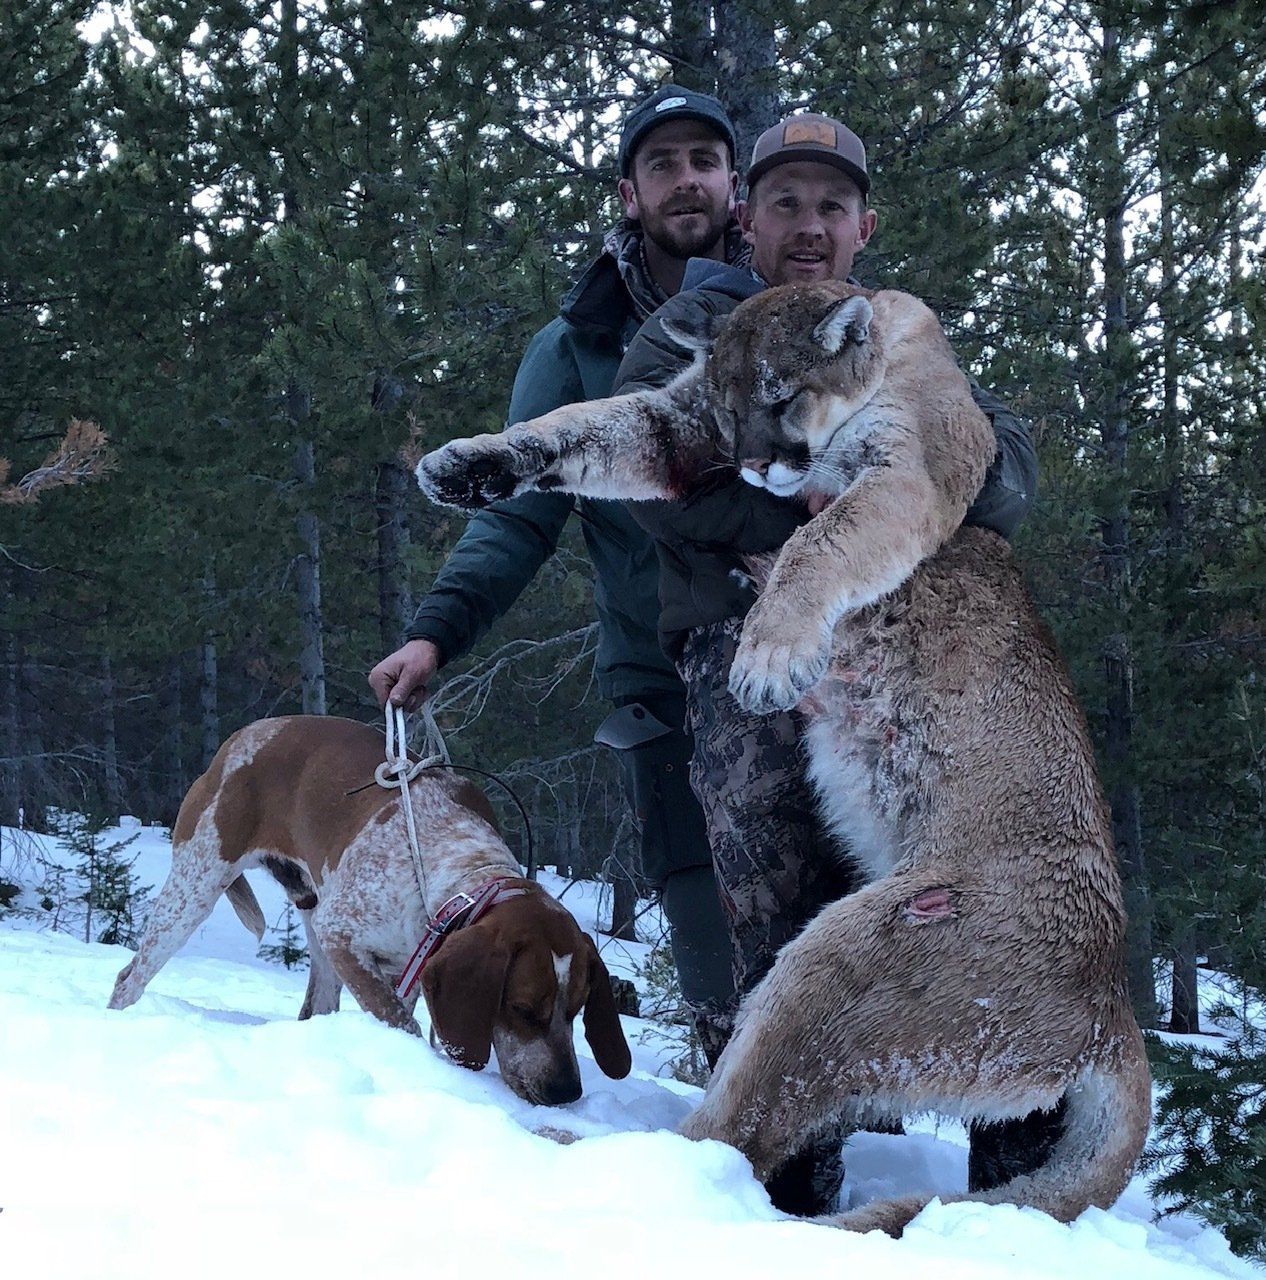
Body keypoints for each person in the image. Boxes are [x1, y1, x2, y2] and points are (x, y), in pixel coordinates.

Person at [613, 112, 1061, 1215]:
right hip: (749, 634)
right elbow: (671, 489)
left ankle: (1024, 1212)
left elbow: (1007, 477)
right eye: (784, 204)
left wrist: (920, 482)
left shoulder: (897, 332)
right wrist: (829, 510)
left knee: (1011, 885)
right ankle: (778, 1195)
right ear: (746, 220)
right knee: (776, 883)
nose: (808, 226)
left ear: (865, 226)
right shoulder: (693, 329)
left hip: (923, 653)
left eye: (831, 206)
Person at [368, 86, 745, 1062]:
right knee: (702, 903)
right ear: (629, 192)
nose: (686, 180)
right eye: (662, 164)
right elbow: (517, 512)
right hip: (662, 673)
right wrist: (436, 630)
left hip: (805, 667)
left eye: (705, 160)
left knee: (834, 900)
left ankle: (860, 1112)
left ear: (734, 184)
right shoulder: (574, 348)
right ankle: (737, 1090)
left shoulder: (786, 310)